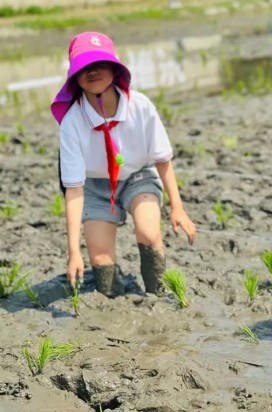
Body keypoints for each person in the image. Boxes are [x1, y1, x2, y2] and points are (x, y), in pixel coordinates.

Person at [51, 32, 196, 297]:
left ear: (115, 69)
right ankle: (113, 300)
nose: (92, 71)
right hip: (94, 187)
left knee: (149, 233)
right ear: (74, 77)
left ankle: (157, 293)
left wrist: (178, 207)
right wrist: (73, 252)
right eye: (83, 67)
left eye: (99, 64)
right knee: (100, 261)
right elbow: (73, 190)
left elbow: (163, 159)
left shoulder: (140, 106)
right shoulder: (72, 122)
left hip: (137, 176)